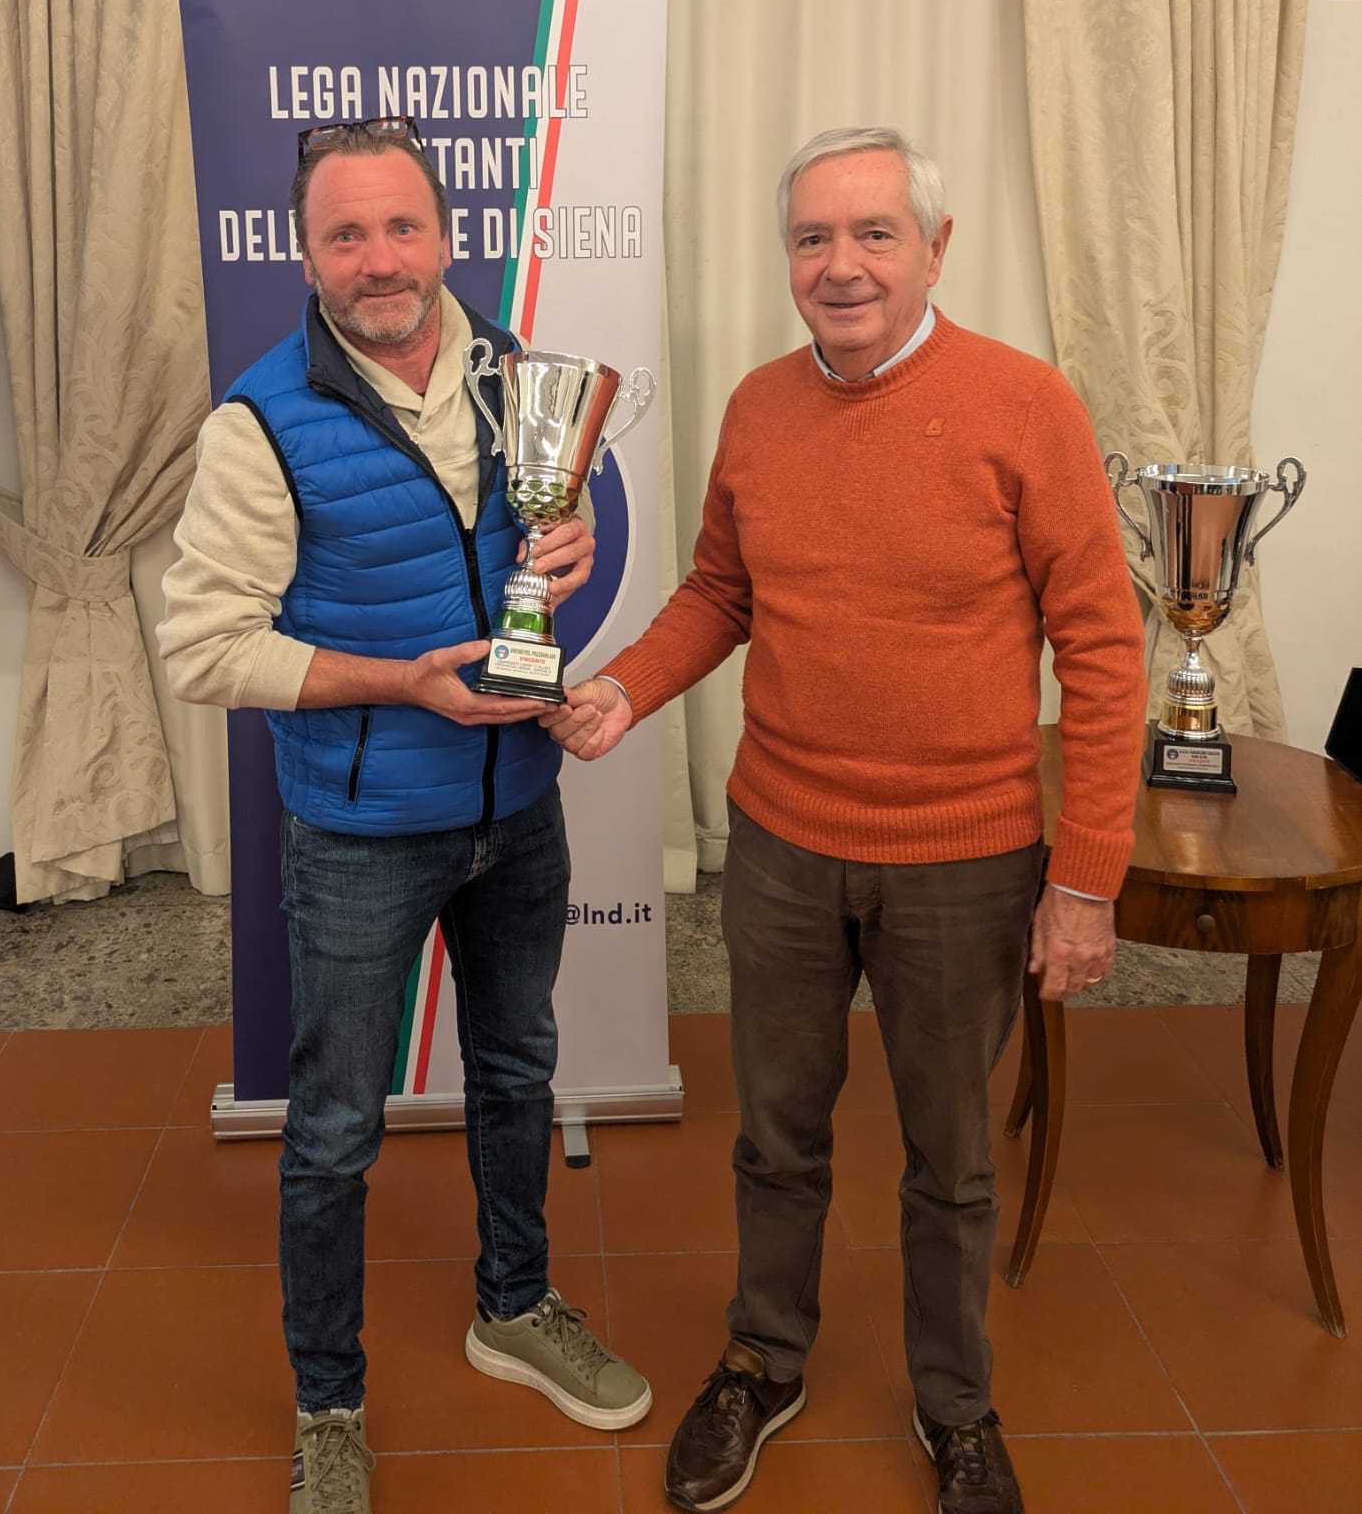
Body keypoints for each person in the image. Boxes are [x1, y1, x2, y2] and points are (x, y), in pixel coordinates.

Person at [544, 127, 1146, 1514]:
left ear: (936, 249)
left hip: (966, 862)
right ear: (788, 259)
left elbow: (1104, 650)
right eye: (813, 237)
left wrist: (1086, 877)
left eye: (875, 233)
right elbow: (721, 592)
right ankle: (763, 1359)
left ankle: (956, 1405)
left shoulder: (1024, 405)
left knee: (950, 1159)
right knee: (776, 1135)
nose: (842, 264)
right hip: (783, 850)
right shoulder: (759, 408)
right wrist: (623, 689)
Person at [158, 118, 651, 1514]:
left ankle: (516, 1304)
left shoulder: (516, 376)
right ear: (304, 253)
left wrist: (572, 544)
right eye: (345, 235)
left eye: (401, 228)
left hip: (520, 804)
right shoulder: (260, 423)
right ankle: (329, 1401)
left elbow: (542, 548)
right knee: (331, 1130)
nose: (379, 261)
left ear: (446, 235)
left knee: (517, 1070)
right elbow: (203, 649)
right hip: (362, 830)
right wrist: (404, 683)